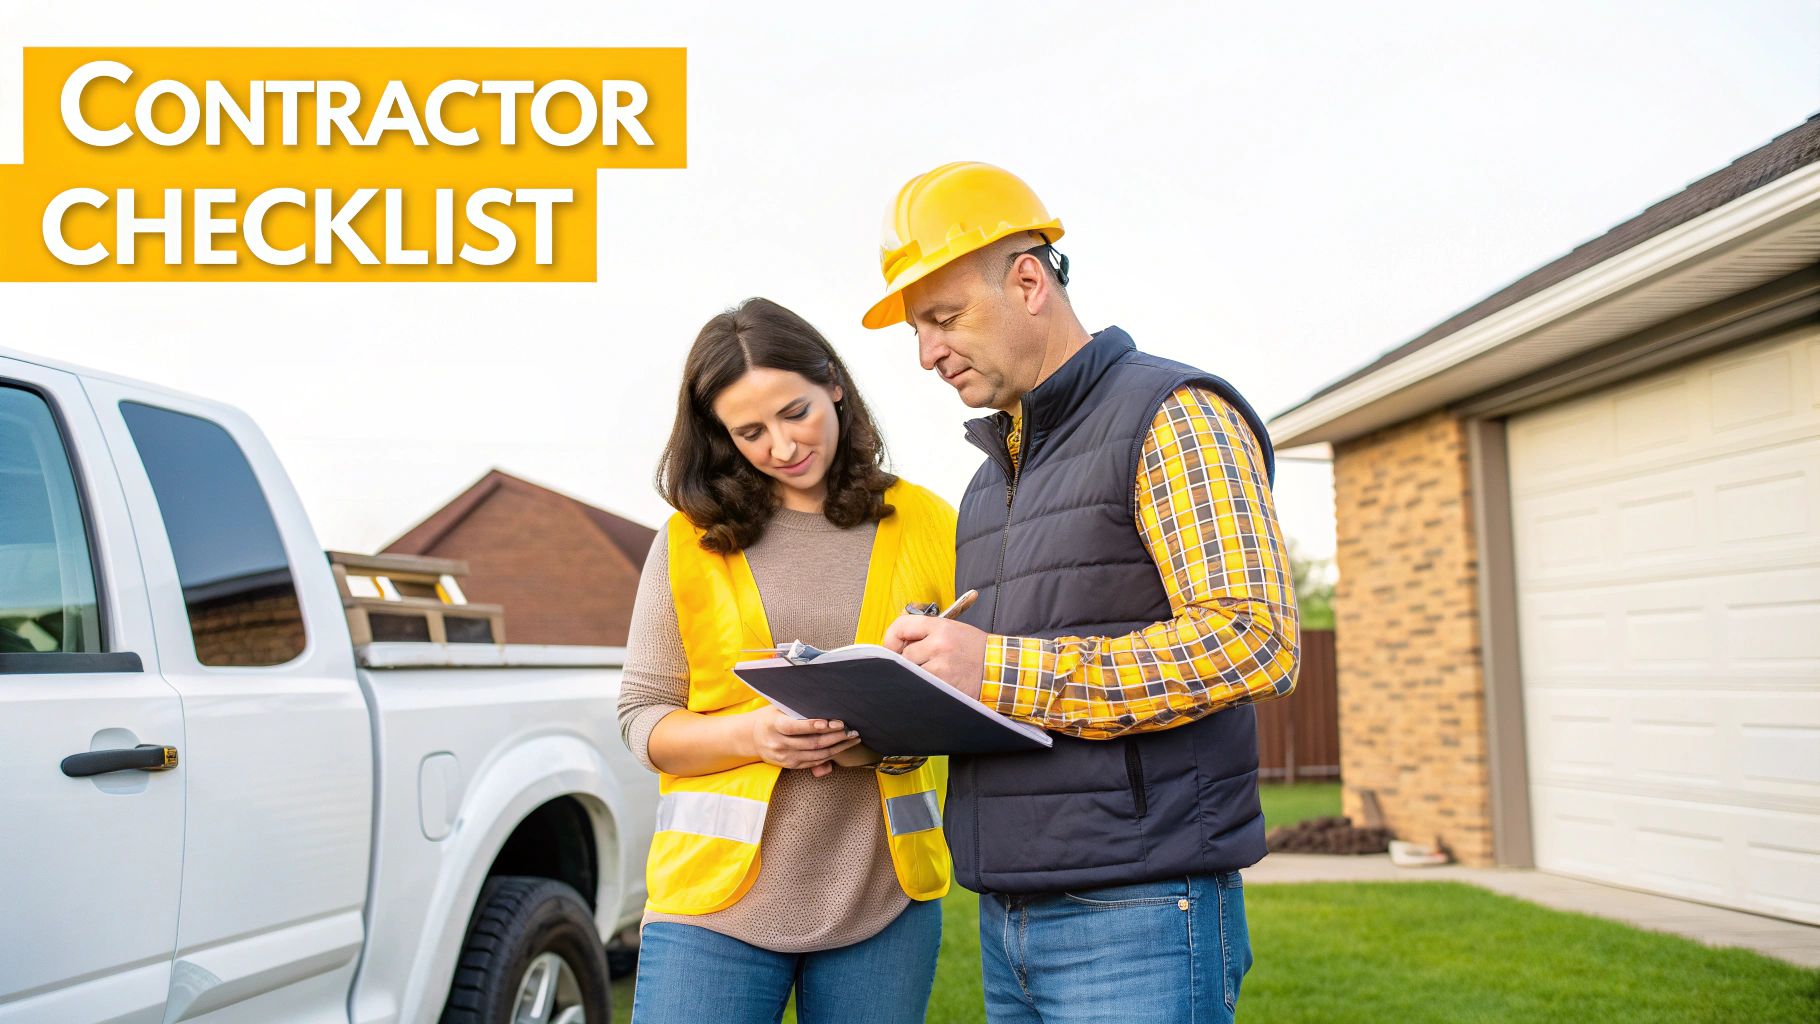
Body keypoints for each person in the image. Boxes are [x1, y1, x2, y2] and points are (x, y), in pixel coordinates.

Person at [868, 163, 1301, 1024]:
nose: (927, 354)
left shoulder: (1173, 415)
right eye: (917, 330)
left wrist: (997, 665)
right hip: (1007, 914)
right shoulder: (987, 486)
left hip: (1139, 911)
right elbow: (1007, 684)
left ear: (1028, 280)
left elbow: (1254, 639)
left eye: (944, 319)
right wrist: (913, 692)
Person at [617, 297, 954, 1024]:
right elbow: (642, 719)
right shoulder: (690, 540)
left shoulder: (929, 522)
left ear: (833, 384)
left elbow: (983, 687)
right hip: (712, 906)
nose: (781, 446)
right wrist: (754, 736)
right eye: (750, 432)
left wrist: (896, 727)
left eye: (795, 412)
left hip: (882, 895)